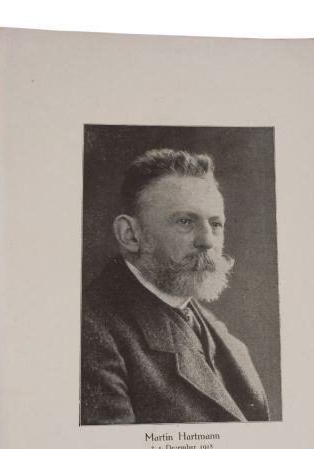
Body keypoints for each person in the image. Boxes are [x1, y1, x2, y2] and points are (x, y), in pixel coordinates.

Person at [81, 148, 269, 424]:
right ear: (131, 235)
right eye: (185, 222)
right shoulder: (91, 331)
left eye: (215, 224)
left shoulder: (215, 328)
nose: (207, 241)